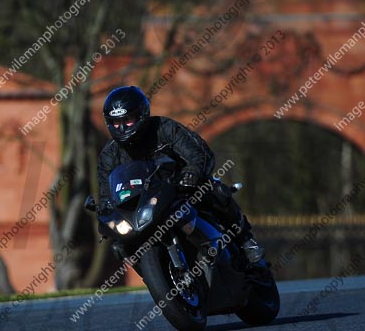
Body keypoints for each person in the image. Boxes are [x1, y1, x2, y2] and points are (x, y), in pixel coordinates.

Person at [97, 85, 264, 264]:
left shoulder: (165, 128)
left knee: (216, 191)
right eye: (116, 123)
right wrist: (105, 208)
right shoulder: (109, 155)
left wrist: (192, 171)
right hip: (144, 205)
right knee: (120, 244)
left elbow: (197, 152)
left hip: (180, 186)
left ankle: (246, 240)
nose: (122, 127)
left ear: (141, 115)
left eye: (127, 120)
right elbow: (107, 193)